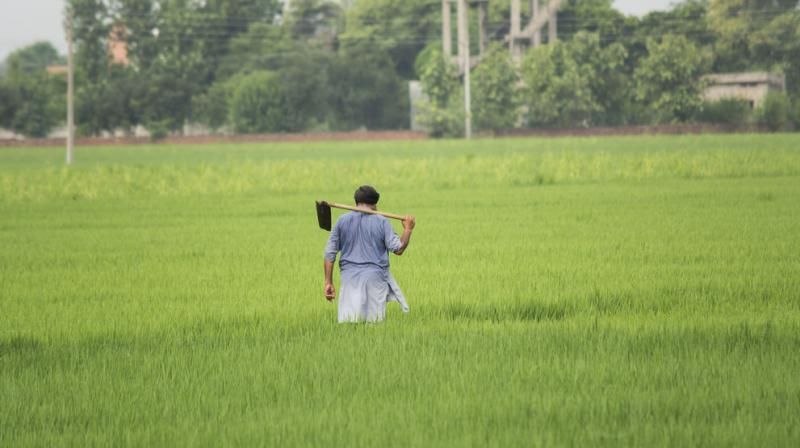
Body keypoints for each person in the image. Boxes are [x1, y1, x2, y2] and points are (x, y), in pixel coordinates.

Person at [323, 185, 416, 323]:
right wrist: (408, 229)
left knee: (349, 322)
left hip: (349, 279)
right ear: (374, 203)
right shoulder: (382, 221)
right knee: (374, 323)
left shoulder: (342, 221)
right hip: (375, 278)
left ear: (357, 202)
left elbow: (329, 254)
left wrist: (328, 282)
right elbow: (398, 249)